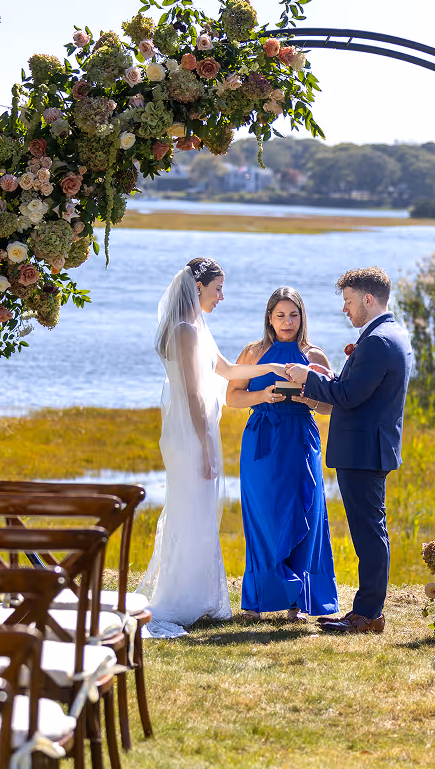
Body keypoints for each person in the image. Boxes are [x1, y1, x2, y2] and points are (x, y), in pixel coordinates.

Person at [137, 258, 289, 638]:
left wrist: (271, 370)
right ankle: (179, 600)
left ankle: (200, 595)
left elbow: (226, 370)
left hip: (201, 429)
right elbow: (191, 394)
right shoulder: (185, 331)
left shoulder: (198, 328)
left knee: (200, 511)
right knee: (190, 510)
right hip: (191, 434)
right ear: (198, 287)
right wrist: (204, 447)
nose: (221, 296)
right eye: (217, 288)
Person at [285, 267, 413, 635]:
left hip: (364, 451)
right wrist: (322, 381)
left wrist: (307, 378)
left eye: (349, 301)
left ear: (368, 300)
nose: (346, 309)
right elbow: (352, 388)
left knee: (369, 534)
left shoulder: (377, 342)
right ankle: (368, 610)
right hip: (371, 448)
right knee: (371, 531)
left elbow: (347, 396)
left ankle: (368, 614)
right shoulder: (392, 334)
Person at [226, 287, 339, 624]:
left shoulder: (315, 356)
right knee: (263, 517)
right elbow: (233, 397)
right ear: (269, 318)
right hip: (262, 441)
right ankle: (257, 601)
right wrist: (263, 394)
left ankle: (298, 603)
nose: (287, 321)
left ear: (302, 317)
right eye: (280, 315)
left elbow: (332, 405)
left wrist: (308, 400)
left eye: (293, 314)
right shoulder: (253, 352)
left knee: (305, 511)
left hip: (301, 440)